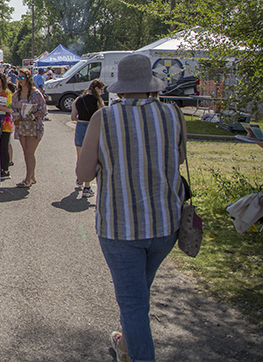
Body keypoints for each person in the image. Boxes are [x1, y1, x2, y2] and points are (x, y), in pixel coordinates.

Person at [76, 54, 187, 362]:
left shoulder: (105, 117)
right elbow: (177, 159)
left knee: (133, 303)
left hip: (120, 227)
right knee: (139, 295)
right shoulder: (173, 114)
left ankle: (136, 353)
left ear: (120, 89)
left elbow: (83, 175)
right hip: (165, 224)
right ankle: (125, 343)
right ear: (152, 86)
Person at [70, 79, 105, 198]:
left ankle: (80, 177)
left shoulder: (78, 100)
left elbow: (73, 117)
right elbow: (102, 116)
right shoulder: (98, 101)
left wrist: (81, 119)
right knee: (90, 158)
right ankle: (87, 187)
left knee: (80, 156)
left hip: (80, 127)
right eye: (101, 90)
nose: (102, 92)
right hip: (92, 128)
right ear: (96, 89)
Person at [12, 68, 47, 188]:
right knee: (25, 152)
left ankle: (28, 179)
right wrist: (16, 118)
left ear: (28, 79)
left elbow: (43, 111)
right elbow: (14, 110)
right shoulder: (16, 95)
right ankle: (32, 175)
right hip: (22, 126)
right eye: (19, 77)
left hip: (34, 126)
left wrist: (33, 115)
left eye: (22, 77)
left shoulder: (36, 93)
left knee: (29, 152)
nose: (20, 80)